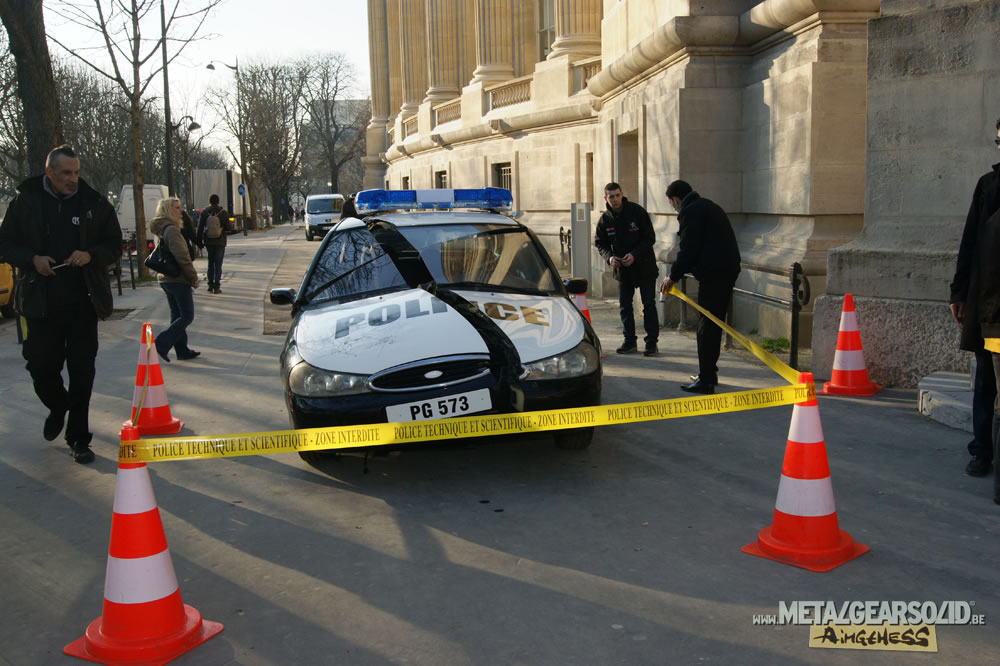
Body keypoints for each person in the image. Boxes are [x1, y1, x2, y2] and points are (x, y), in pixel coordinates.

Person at [0, 144, 121, 463]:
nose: (73, 179)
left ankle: (79, 437)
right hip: (40, 304)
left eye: (77, 173)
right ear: (49, 172)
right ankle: (58, 405)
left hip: (83, 301)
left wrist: (91, 255)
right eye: (66, 173)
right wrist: (32, 259)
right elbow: (5, 244)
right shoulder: (26, 202)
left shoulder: (94, 202)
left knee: (83, 372)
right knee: (41, 367)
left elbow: (114, 244)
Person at [659, 180, 741, 395]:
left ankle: (705, 380)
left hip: (715, 275)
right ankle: (709, 372)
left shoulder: (691, 212)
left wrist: (672, 277)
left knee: (706, 327)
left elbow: (688, 250)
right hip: (725, 270)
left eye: (672, 204)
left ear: (676, 199)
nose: (674, 208)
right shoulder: (708, 206)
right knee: (711, 324)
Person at [952, 117, 1000, 478]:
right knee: (987, 380)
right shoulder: (989, 186)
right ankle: (982, 450)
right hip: (992, 309)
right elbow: (969, 244)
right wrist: (959, 291)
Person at [594, 182, 660, 356]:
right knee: (625, 306)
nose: (615, 199)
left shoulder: (637, 211)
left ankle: (651, 342)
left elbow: (649, 238)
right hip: (622, 270)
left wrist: (635, 255)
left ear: (622, 194)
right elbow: (600, 243)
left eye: (617, 195)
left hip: (644, 267)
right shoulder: (605, 219)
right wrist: (609, 257)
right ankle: (629, 341)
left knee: (648, 304)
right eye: (611, 196)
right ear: (605, 198)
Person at [151, 197, 201, 362]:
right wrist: (193, 277)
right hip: (177, 278)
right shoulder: (171, 230)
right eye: (177, 208)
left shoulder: (161, 229)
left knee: (177, 314)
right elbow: (183, 257)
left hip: (166, 278)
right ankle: (161, 342)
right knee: (187, 315)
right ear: (168, 211)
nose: (181, 211)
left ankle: (182, 350)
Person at [196, 193, 231, 294]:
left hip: (209, 242)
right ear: (218, 201)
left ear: (210, 202)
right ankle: (217, 286)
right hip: (220, 242)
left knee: (210, 263)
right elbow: (229, 227)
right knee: (218, 264)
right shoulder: (223, 213)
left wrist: (199, 242)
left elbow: (200, 228)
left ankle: (210, 285)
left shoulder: (204, 212)